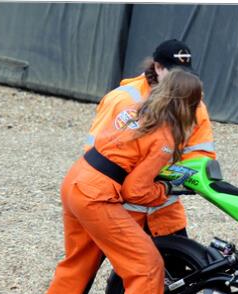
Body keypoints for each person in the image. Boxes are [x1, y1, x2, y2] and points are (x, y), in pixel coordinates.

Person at [19, 69, 203, 294]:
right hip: (96, 195)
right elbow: (135, 190)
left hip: (76, 180)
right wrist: (165, 188)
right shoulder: (165, 137)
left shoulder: (136, 111)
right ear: (189, 104)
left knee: (78, 262)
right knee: (147, 265)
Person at [86, 38, 215, 238]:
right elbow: (95, 156)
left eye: (185, 74)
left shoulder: (193, 104)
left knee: (174, 267)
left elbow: (200, 154)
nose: (181, 80)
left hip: (164, 212)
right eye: (175, 74)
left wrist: (166, 178)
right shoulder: (124, 99)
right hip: (122, 211)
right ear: (157, 67)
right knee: (108, 264)